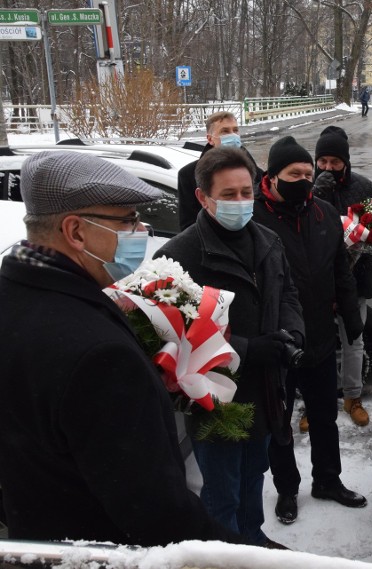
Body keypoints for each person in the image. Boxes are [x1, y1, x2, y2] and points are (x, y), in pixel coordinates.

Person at [0, 151, 242, 546]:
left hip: (36, 537)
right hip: (103, 549)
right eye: (127, 219)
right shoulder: (98, 355)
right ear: (76, 232)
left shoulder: (14, 297)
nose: (141, 228)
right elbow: (160, 516)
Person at [154, 147, 305, 548]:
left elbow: (287, 293)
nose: (241, 202)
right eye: (229, 194)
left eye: (247, 192)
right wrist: (246, 348)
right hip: (214, 397)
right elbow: (172, 334)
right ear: (203, 198)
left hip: (265, 388)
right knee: (222, 489)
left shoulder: (268, 241)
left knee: (255, 472)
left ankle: (251, 537)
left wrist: (293, 334)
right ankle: (223, 552)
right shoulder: (178, 256)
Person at [257, 136, 367, 526]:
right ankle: (287, 488)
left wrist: (351, 319)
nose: (304, 179)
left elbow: (341, 271)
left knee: (324, 415)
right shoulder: (255, 218)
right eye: (294, 173)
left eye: (309, 172)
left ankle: (328, 480)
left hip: (319, 334)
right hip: (279, 340)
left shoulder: (323, 214)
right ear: (273, 177)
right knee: (280, 420)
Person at [312, 125, 372, 428]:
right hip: (317, 283)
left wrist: (362, 246)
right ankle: (314, 403)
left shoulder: (362, 186)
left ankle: (353, 397)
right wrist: (317, 193)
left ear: (346, 162)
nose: (328, 168)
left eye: (335, 163)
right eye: (322, 161)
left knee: (354, 340)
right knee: (317, 343)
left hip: (356, 280)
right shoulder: (309, 186)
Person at [177, 111, 264, 230]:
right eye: (225, 131)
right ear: (210, 139)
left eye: (235, 130)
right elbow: (189, 224)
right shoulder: (188, 174)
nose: (233, 135)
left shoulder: (254, 171)